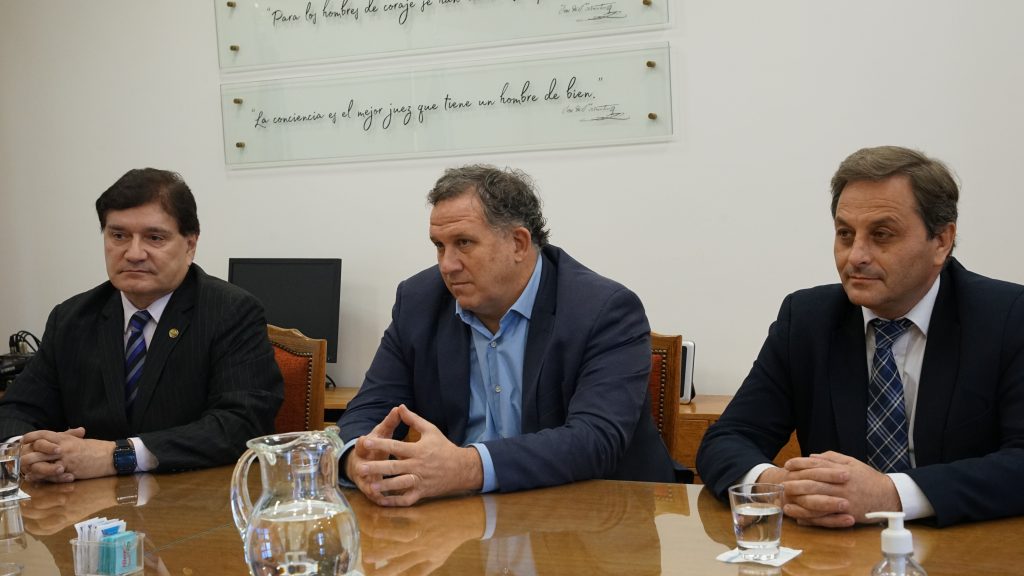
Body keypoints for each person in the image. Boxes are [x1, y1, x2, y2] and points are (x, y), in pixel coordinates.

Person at [696, 145, 1024, 527]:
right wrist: (781, 485)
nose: (856, 256)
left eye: (881, 235)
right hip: (836, 546)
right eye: (845, 234)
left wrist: (892, 494)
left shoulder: (1007, 317)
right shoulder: (807, 319)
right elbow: (728, 439)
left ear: (941, 241)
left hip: (965, 545)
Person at [339, 164, 674, 506]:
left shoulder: (603, 310)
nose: (447, 265)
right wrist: (356, 458)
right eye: (439, 246)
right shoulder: (419, 302)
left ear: (518, 243)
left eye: (464, 243)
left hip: (590, 512)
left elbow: (594, 440)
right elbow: (369, 410)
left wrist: (468, 466)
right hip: (462, 516)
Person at [0, 168, 283, 482]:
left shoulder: (230, 312)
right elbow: (15, 411)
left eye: (154, 237)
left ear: (190, 245)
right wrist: (29, 451)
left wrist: (117, 455)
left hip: (190, 496)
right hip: (85, 502)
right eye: (118, 236)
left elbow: (241, 425)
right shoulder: (71, 318)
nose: (133, 254)